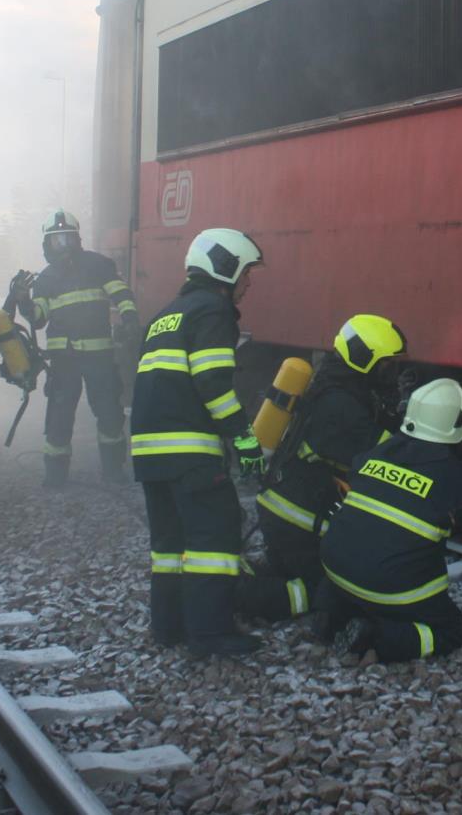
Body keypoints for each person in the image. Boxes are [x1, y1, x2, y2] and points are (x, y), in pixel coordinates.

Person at [128, 227, 265, 657]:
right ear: (224, 269)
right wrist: (244, 439)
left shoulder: (167, 314)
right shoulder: (212, 312)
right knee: (214, 537)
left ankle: (169, 627)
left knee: (168, 545)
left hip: (150, 453)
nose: (249, 283)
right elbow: (214, 385)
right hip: (189, 451)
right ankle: (210, 634)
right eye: (245, 273)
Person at [316, 378, 462, 663]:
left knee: (365, 569)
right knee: (451, 631)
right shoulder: (455, 478)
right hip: (393, 587)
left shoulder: (373, 454)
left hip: (334, 569)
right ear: (458, 429)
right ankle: (376, 637)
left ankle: (334, 616)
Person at [238, 314, 408, 622]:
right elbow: (385, 452)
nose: (391, 375)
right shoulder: (340, 407)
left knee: (289, 568)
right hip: (297, 521)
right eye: (386, 366)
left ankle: (251, 573)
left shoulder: (339, 391)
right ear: (362, 361)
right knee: (325, 591)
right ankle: (235, 596)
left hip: (287, 514)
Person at [11, 209, 138, 487]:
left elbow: (121, 292)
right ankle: (55, 476)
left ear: (76, 238)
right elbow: (39, 319)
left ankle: (113, 471)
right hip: (64, 359)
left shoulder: (98, 265)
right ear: (48, 244)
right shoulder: (45, 279)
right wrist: (23, 302)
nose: (63, 245)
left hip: (99, 356)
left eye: (67, 238)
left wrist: (129, 318)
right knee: (59, 415)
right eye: (57, 240)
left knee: (109, 413)